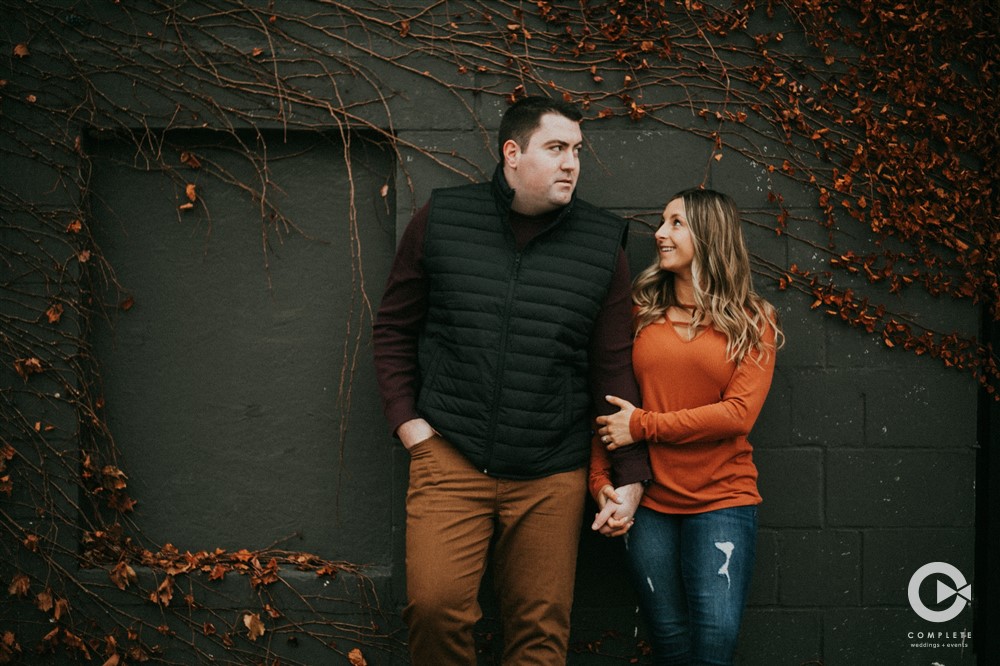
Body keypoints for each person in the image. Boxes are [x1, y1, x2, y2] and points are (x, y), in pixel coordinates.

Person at [372, 95, 651, 665]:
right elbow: (395, 328)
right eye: (555, 149)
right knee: (434, 608)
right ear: (512, 153)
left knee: (540, 632)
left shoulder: (603, 242)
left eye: (576, 150)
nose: (571, 162)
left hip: (552, 469)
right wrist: (410, 427)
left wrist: (631, 475)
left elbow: (612, 366)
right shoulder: (443, 218)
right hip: (449, 456)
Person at [590, 188, 783, 665]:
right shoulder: (640, 315)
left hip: (723, 499)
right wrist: (600, 484)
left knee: (716, 641)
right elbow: (612, 407)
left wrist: (644, 426)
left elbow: (737, 415)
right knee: (669, 641)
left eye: (676, 223)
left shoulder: (752, 321)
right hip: (649, 504)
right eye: (662, 222)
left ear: (710, 235)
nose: (660, 233)